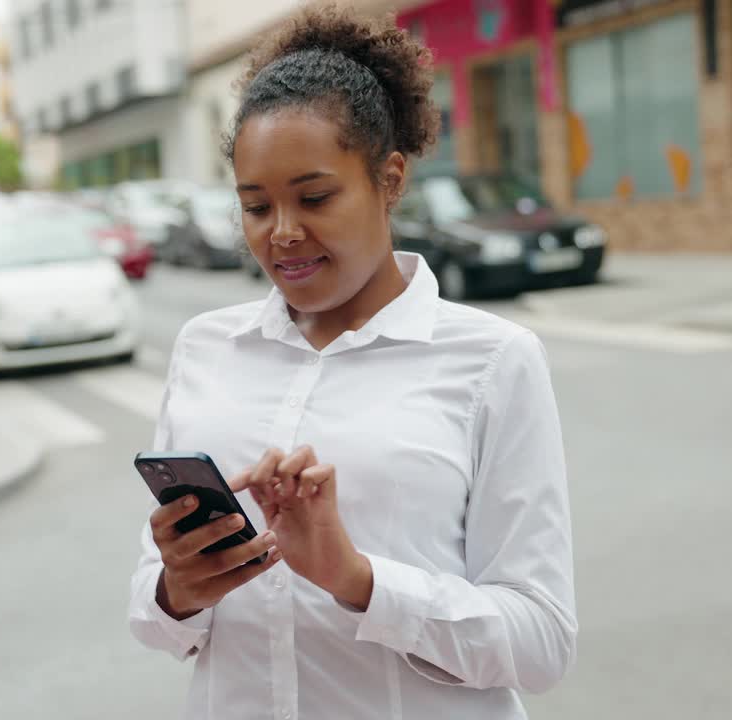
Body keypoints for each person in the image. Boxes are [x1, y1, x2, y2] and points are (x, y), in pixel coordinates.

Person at [127, 5, 576, 718]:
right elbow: (155, 619)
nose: (283, 234)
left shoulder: (494, 362)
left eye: (315, 197)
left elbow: (541, 642)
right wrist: (178, 589)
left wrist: (357, 578)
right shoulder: (206, 350)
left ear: (389, 179)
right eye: (255, 206)